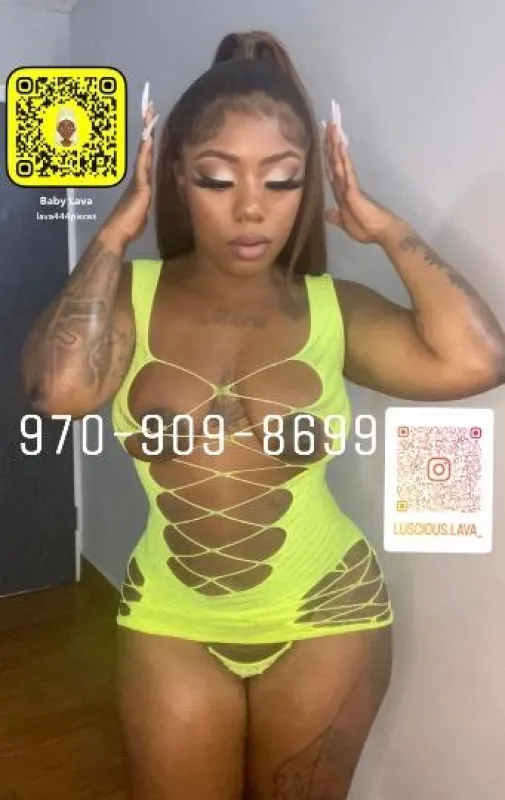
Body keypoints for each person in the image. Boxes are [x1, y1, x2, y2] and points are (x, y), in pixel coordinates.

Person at [21, 29, 505, 800]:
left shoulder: (333, 309)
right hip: (169, 617)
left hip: (329, 615)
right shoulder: (128, 299)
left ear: (306, 185)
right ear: (175, 176)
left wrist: (385, 229)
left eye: (281, 181)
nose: (251, 208)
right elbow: (59, 391)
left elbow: (475, 361)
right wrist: (114, 230)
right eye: (217, 178)